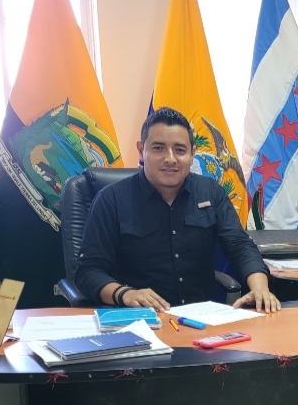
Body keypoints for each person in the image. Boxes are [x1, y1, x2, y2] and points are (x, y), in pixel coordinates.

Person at [75, 107, 280, 313]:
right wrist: (125, 294)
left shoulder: (210, 192)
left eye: (180, 150)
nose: (170, 159)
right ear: (141, 151)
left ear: (192, 154)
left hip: (202, 319)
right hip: (138, 319)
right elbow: (88, 270)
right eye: (158, 148)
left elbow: (240, 246)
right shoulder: (111, 200)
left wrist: (260, 288)